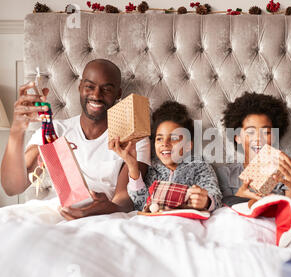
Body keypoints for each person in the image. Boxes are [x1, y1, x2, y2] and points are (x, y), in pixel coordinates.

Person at [0, 59, 151, 219]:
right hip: (53, 213)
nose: (96, 95)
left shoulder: (133, 138)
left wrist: (109, 208)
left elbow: (124, 199)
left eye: (106, 89)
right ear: (80, 87)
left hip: (102, 217)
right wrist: (17, 131)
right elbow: (12, 188)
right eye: (89, 87)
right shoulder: (53, 131)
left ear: (118, 94)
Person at [110, 101, 222, 212]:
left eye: (173, 138)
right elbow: (141, 204)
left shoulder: (200, 167)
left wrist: (206, 201)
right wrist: (132, 165)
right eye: (159, 138)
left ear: (188, 145)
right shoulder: (152, 170)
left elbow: (215, 196)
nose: (165, 143)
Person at [220, 92, 291, 201]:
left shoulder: (289, 170)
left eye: (266, 132)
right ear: (237, 137)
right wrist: (238, 198)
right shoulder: (225, 174)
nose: (258, 138)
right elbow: (221, 213)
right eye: (251, 132)